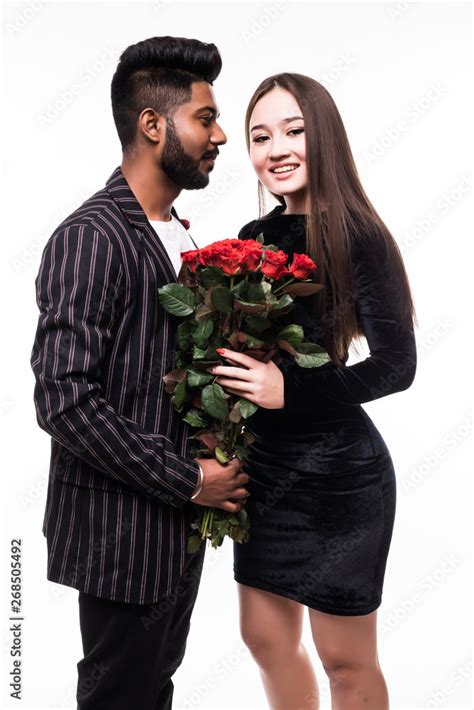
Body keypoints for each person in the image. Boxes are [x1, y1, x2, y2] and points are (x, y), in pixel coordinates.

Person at [29, 36, 249, 710]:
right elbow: (63, 399)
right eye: (204, 119)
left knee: (152, 691)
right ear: (153, 125)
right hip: (122, 538)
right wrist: (187, 479)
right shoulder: (93, 237)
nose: (219, 137)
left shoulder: (173, 232)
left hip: (174, 532)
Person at [205, 73, 417, 708]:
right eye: (260, 136)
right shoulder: (254, 236)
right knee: (264, 638)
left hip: (341, 481)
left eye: (294, 131)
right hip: (266, 472)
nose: (277, 149)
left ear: (325, 136)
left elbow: (396, 366)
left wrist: (290, 393)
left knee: (345, 661)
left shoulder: (360, 236)